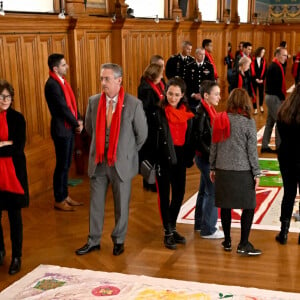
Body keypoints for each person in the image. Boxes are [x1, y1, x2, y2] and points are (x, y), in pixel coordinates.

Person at [76, 63, 147, 256]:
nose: (103, 83)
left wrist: (125, 152)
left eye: (107, 79)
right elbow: (89, 128)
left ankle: (119, 239)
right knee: (96, 203)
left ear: (119, 80)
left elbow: (142, 135)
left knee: (121, 204)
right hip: (98, 161)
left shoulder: (133, 104)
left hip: (120, 164)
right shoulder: (93, 101)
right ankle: (93, 240)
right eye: (101, 78)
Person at [210, 88, 262, 256]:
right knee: (249, 206)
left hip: (222, 170)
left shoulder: (220, 118)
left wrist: (212, 167)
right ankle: (244, 243)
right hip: (242, 171)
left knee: (225, 205)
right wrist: (256, 172)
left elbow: (214, 146)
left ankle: (227, 241)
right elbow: (252, 151)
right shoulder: (248, 123)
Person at [147, 77, 194, 250]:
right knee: (164, 196)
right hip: (163, 158)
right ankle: (167, 232)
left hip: (180, 158)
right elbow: (151, 139)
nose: (172, 98)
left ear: (182, 95)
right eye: (170, 94)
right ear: (165, 93)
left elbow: (189, 138)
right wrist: (152, 159)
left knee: (179, 194)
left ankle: (172, 226)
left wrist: (190, 157)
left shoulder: (188, 113)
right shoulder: (157, 113)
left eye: (176, 94)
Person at [44, 53, 84, 211]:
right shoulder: (52, 85)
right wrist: (76, 124)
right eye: (63, 65)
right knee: (61, 165)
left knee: (67, 165)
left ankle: (65, 195)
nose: (66, 67)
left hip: (69, 128)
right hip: (62, 130)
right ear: (55, 68)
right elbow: (62, 108)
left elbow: (72, 105)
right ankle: (59, 199)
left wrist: (79, 119)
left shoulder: (62, 82)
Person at [0, 79, 29, 275]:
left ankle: (16, 256)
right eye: (1, 96)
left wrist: (3, 145)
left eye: (8, 96)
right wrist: (5, 144)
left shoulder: (18, 118)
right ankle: (0, 251)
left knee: (14, 217)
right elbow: (10, 145)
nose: (4, 100)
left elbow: (18, 147)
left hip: (14, 174)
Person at [192, 80, 224, 239]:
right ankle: (208, 229)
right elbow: (198, 140)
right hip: (205, 159)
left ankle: (199, 223)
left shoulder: (208, 110)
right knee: (213, 191)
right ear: (206, 95)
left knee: (204, 191)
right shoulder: (201, 113)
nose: (219, 97)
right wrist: (213, 157)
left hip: (205, 157)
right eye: (216, 94)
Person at [276, 83, 300, 245]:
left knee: (289, 194)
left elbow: (281, 136)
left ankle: (284, 232)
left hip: (287, 157)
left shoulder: (284, 112)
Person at [138, 63, 165, 191]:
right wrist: (159, 105)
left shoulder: (155, 84)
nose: (162, 76)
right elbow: (146, 107)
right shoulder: (145, 88)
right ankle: (150, 182)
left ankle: (151, 181)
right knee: (150, 154)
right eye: (160, 74)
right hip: (150, 125)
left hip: (157, 123)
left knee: (154, 154)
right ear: (154, 75)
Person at [261, 47, 288, 154]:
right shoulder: (275, 67)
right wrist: (283, 99)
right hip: (273, 97)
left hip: (271, 97)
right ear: (277, 55)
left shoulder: (276, 65)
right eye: (284, 55)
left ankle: (264, 146)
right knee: (280, 121)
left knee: (270, 122)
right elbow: (277, 87)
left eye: (286, 55)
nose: (286, 58)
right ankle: (279, 146)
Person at [186, 47, 215, 112]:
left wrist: (204, 95)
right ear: (196, 55)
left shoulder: (209, 66)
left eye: (204, 54)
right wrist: (193, 94)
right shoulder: (189, 66)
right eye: (200, 54)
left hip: (205, 98)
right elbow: (186, 83)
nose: (203, 56)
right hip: (192, 98)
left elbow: (212, 83)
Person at [251, 47, 267, 113]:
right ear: (259, 52)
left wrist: (262, 79)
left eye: (264, 52)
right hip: (254, 80)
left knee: (261, 94)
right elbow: (251, 70)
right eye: (262, 52)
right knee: (254, 94)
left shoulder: (264, 61)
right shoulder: (253, 60)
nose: (263, 54)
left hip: (261, 80)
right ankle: (255, 108)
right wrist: (255, 79)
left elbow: (265, 70)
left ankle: (261, 105)